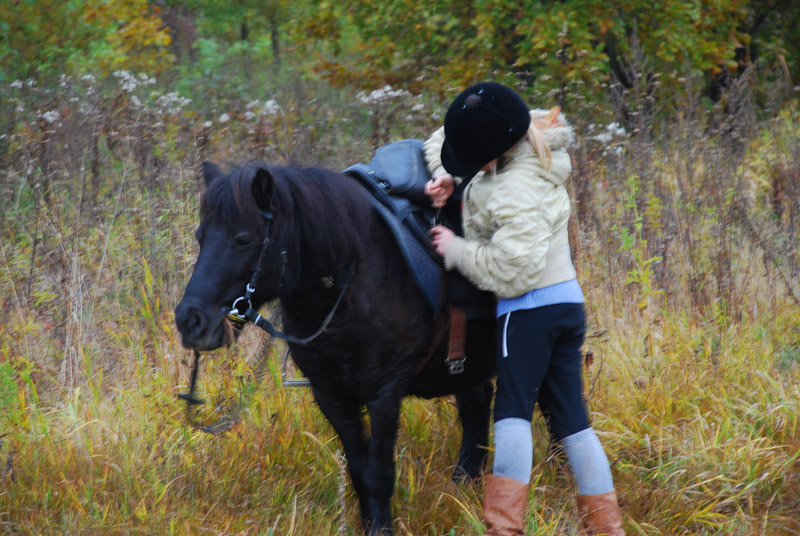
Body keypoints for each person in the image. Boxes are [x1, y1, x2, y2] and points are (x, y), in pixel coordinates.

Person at [423, 82, 624, 536]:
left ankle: (504, 528)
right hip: (566, 304)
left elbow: (513, 271)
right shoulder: (528, 135)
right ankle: (606, 528)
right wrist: (449, 175)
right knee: (573, 419)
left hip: (527, 309)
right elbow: (445, 137)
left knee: (511, 414)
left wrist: (456, 250)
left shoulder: (515, 185)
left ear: (493, 150)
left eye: (476, 160)